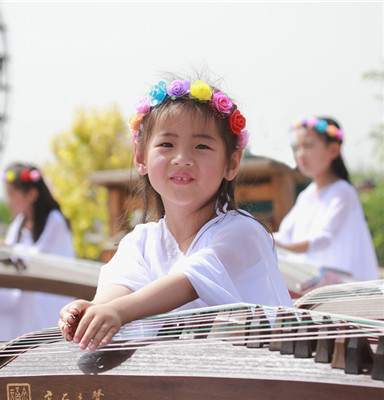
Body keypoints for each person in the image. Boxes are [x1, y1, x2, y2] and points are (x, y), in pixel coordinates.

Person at [58, 77, 293, 351]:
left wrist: (118, 311)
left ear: (231, 163)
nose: (182, 158)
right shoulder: (140, 242)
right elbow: (120, 288)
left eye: (202, 146)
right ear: (140, 157)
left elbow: (189, 281)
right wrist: (91, 310)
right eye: (167, 145)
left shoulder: (242, 232)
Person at [274, 117, 379, 281]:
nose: (300, 154)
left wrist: (282, 247)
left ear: (333, 150)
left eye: (308, 145)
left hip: (342, 287)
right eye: (297, 147)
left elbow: (324, 239)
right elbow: (284, 235)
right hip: (313, 282)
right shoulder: (306, 195)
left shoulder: (343, 191)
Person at [0, 163, 76, 343]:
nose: (9, 201)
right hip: (28, 288)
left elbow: (36, 257)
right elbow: (10, 250)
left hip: (50, 293)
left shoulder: (55, 220)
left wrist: (1, 245)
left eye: (13, 195)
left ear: (32, 195)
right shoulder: (19, 222)